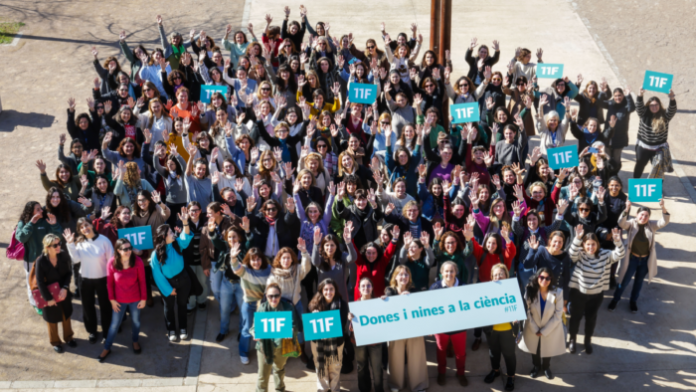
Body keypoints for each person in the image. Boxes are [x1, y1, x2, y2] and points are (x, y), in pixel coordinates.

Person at [567, 225, 625, 354]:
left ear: (597, 244)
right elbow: (571, 254)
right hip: (578, 293)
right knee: (575, 318)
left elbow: (620, 254)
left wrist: (617, 241)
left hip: (596, 295)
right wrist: (577, 238)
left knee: (591, 319)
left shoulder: (605, 254)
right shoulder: (580, 254)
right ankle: (572, 339)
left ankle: (587, 341)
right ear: (584, 245)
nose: (590, 247)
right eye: (588, 244)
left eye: (593, 244)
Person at [609, 199, 669, 312]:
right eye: (641, 215)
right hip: (632, 259)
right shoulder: (631, 223)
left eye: (646, 216)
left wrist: (663, 208)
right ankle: (615, 300)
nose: (643, 217)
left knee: (638, 282)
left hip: (645, 260)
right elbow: (621, 223)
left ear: (649, 217)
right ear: (637, 215)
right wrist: (626, 209)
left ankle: (633, 301)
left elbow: (664, 222)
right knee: (624, 281)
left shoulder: (652, 225)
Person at [64, 219, 115, 344]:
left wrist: (111, 280)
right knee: (87, 306)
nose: (84, 228)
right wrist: (70, 244)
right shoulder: (79, 242)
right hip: (85, 278)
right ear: (79, 230)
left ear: (92, 225)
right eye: (81, 227)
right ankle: (92, 330)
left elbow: (111, 261)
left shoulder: (104, 240)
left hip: (103, 279)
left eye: (86, 225)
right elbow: (75, 260)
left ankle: (107, 331)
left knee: (105, 306)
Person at [99, 238, 147, 362]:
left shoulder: (138, 261)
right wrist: (112, 300)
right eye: (125, 249)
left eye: (130, 248)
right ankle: (107, 347)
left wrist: (143, 299)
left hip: (135, 299)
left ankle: (135, 341)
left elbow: (142, 281)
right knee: (114, 325)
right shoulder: (112, 262)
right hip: (119, 301)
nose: (129, 251)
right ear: (118, 250)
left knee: (136, 321)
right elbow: (109, 284)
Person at [384, 265, 429, 392]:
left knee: (417, 358)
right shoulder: (389, 291)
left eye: (406, 274)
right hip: (395, 331)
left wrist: (411, 299)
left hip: (414, 330)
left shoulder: (415, 291)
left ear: (409, 277)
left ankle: (418, 386)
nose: (403, 277)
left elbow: (422, 309)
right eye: (401, 274)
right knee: (395, 358)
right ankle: (395, 385)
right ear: (395, 277)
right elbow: (388, 309)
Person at [150, 208, 193, 342]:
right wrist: (169, 290)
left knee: (182, 305)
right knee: (168, 308)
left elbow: (185, 238)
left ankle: (183, 328)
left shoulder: (177, 244)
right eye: (170, 232)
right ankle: (171, 330)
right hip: (168, 284)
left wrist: (185, 223)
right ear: (164, 236)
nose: (173, 233)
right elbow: (157, 275)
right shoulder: (155, 255)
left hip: (183, 280)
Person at [518, 268, 566, 380]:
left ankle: (546, 367)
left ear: (551, 280)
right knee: (535, 349)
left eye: (547, 278)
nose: (544, 280)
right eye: (542, 277)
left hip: (550, 328)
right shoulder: (529, 289)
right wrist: (535, 329)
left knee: (547, 349)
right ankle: (536, 366)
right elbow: (527, 311)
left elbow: (558, 314)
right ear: (537, 277)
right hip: (532, 326)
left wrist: (544, 331)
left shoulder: (558, 292)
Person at [15, 201, 62, 314]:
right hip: (31, 260)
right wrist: (31, 223)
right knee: (32, 282)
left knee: (46, 280)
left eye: (41, 208)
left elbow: (58, 237)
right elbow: (21, 238)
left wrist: (54, 224)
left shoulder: (45, 222)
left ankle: (47, 298)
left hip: (46, 258)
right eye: (38, 209)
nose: (41, 211)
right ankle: (35, 303)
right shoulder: (23, 223)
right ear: (30, 212)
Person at [429, 261, 469, 387]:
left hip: (459, 327)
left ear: (456, 272)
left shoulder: (463, 286)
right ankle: (441, 373)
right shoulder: (435, 287)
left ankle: (461, 373)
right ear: (441, 273)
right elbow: (429, 308)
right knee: (441, 351)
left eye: (451, 271)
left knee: (460, 353)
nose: (449, 274)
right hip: (441, 328)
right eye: (446, 271)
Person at [252, 283, 299, 392]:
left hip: (281, 347)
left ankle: (280, 389)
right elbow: (254, 327)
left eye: (276, 295)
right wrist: (254, 333)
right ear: (266, 296)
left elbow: (295, 325)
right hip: (264, 348)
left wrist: (292, 331)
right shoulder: (262, 308)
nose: (274, 299)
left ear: (280, 295)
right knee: (262, 375)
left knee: (279, 370)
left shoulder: (288, 308)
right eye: (270, 296)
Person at [35, 234, 76, 353]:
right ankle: (55, 342)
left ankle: (69, 338)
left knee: (66, 315)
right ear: (47, 247)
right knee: (51, 319)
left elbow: (69, 273)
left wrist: (64, 287)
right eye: (55, 245)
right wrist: (48, 299)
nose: (59, 247)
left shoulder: (63, 255)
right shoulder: (41, 261)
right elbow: (40, 282)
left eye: (59, 244)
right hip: (49, 293)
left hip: (63, 291)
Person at [309, 278, 350, 392]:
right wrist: (315, 316)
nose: (328, 292)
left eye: (331, 289)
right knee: (321, 367)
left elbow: (341, 325)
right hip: (318, 342)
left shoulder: (342, 305)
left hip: (336, 342)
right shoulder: (313, 305)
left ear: (335, 290)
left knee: (335, 368)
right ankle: (323, 389)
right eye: (325, 289)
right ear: (321, 291)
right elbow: (311, 326)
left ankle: (335, 389)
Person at [483, 264, 518, 390]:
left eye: (501, 274)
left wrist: (517, 316)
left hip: (508, 330)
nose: (498, 277)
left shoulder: (513, 290)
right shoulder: (486, 291)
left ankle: (511, 376)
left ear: (506, 276)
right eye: (495, 275)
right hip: (492, 330)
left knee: (509, 354)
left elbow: (521, 307)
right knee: (493, 352)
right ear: (492, 277)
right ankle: (495, 370)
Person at [350, 277, 385, 392]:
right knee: (361, 367)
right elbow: (350, 327)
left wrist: (387, 303)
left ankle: (379, 389)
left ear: (372, 288)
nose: (366, 288)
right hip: (359, 342)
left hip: (376, 342)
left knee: (377, 369)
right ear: (359, 289)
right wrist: (350, 321)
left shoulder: (379, 303)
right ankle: (364, 389)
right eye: (363, 286)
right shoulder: (354, 306)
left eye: (368, 285)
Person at [633, 88, 677, 178]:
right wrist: (640, 94)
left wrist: (672, 97)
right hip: (643, 147)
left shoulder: (665, 116)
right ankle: (635, 184)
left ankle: (656, 190)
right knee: (639, 166)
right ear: (648, 106)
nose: (654, 107)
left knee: (658, 170)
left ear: (659, 105)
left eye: (656, 105)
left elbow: (672, 109)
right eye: (651, 105)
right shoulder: (643, 113)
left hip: (658, 149)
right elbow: (638, 106)